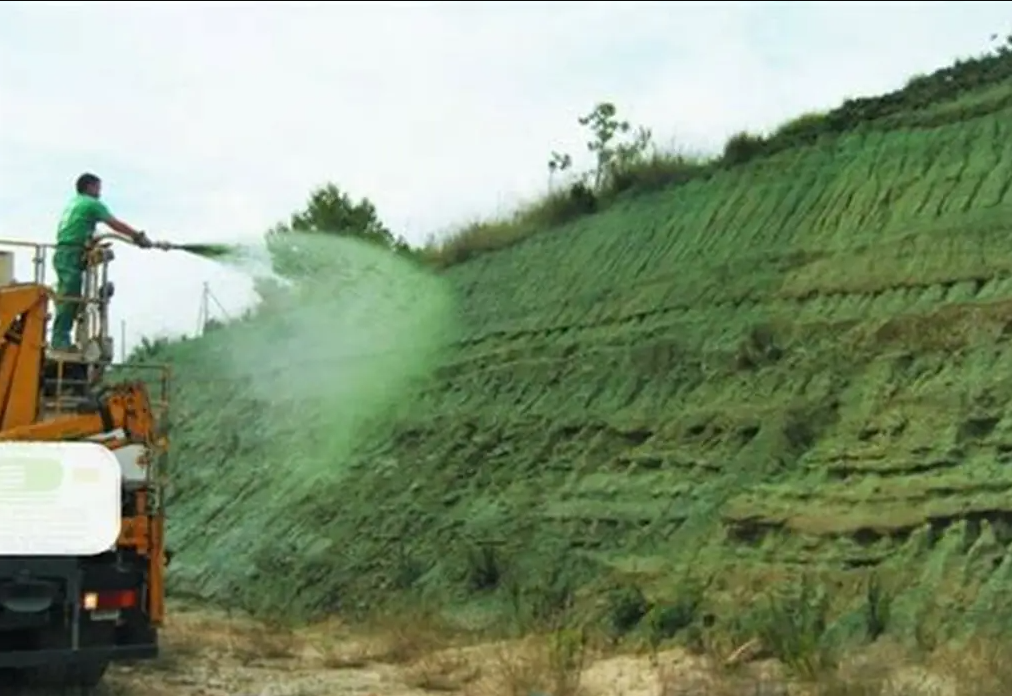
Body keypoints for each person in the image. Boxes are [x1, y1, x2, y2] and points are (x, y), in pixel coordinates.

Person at [51, 173, 152, 350]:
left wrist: (92, 241)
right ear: (89, 187)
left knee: (69, 295)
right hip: (71, 252)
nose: (100, 192)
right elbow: (114, 224)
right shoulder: (91, 204)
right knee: (70, 297)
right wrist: (137, 236)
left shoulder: (75, 203)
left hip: (64, 253)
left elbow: (81, 228)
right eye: (98, 188)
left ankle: (62, 336)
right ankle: (60, 342)